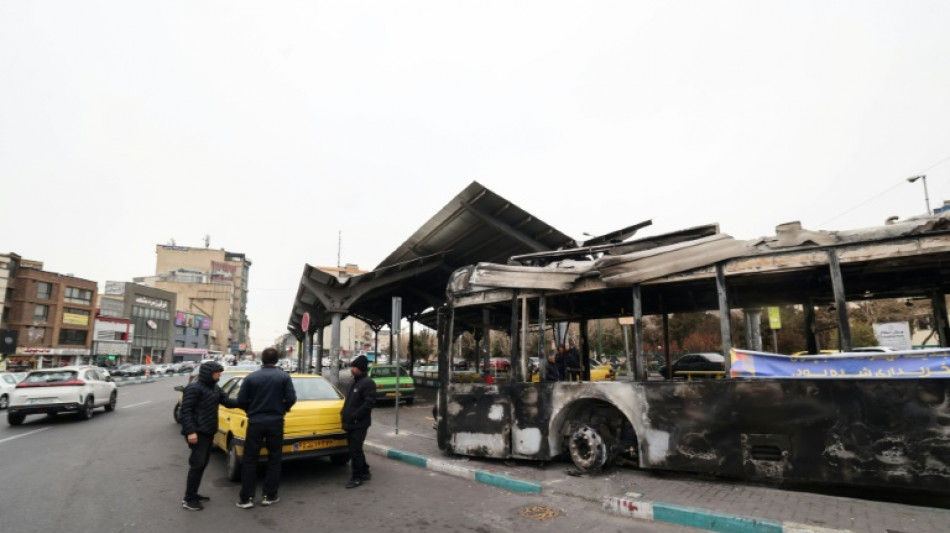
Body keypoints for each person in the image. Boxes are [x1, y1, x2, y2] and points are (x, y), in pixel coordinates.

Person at [235, 347, 297, 509]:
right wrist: (283, 409)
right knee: (275, 458)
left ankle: (246, 498)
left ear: (262, 360)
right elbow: (291, 398)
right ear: (277, 360)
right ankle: (269, 495)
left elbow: (241, 400)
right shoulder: (283, 377)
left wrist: (251, 411)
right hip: (276, 422)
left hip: (255, 422)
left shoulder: (251, 378)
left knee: (250, 459)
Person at [180, 361, 238, 511]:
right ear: (208, 373)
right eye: (217, 373)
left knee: (202, 464)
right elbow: (185, 411)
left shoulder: (214, 387)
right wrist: (191, 432)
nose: (219, 375)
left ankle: (193, 494)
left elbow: (227, 402)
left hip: (208, 431)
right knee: (197, 465)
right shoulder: (194, 388)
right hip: (198, 433)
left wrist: (247, 402)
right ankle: (188, 499)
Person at [341, 354, 376, 488]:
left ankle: (357, 477)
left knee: (355, 450)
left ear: (361, 368)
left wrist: (355, 416)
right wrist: (343, 413)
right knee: (355, 449)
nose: (352, 369)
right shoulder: (353, 382)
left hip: (360, 424)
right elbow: (348, 400)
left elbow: (369, 404)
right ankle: (365, 471)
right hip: (350, 422)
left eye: (354, 367)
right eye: (352, 366)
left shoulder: (368, 383)